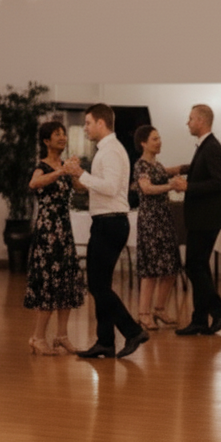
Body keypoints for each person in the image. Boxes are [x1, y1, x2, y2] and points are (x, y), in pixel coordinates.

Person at [64, 103, 148, 359]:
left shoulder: (111, 151)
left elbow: (111, 187)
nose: (86, 128)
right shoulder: (108, 150)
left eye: (88, 123)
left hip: (110, 222)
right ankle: (105, 341)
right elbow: (100, 187)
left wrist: (82, 173)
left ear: (101, 123)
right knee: (100, 285)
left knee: (98, 286)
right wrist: (78, 176)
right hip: (107, 221)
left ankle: (132, 331)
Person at [169, 104, 221, 336]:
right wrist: (184, 173)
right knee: (199, 266)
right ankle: (199, 319)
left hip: (207, 218)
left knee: (194, 266)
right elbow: (205, 172)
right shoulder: (206, 146)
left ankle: (218, 311)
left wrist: (188, 186)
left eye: (191, 118)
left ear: (201, 121)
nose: (188, 122)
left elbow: (218, 181)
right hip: (203, 217)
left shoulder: (211, 147)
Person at [24, 121, 85, 354]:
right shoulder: (43, 165)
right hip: (48, 230)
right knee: (48, 282)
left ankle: (61, 336)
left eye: (63, 134)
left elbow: (79, 188)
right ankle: (38, 337)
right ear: (46, 141)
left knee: (66, 280)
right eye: (57, 134)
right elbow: (34, 183)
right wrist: (61, 171)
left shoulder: (65, 164)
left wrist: (76, 171)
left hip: (64, 228)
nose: (62, 137)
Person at [132, 125, 182, 331]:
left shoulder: (157, 165)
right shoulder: (141, 165)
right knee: (151, 269)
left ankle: (159, 309)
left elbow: (168, 171)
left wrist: (188, 167)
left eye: (159, 138)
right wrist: (171, 186)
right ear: (143, 143)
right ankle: (144, 314)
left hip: (164, 219)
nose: (159, 142)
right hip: (151, 221)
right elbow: (146, 188)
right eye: (154, 139)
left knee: (171, 267)